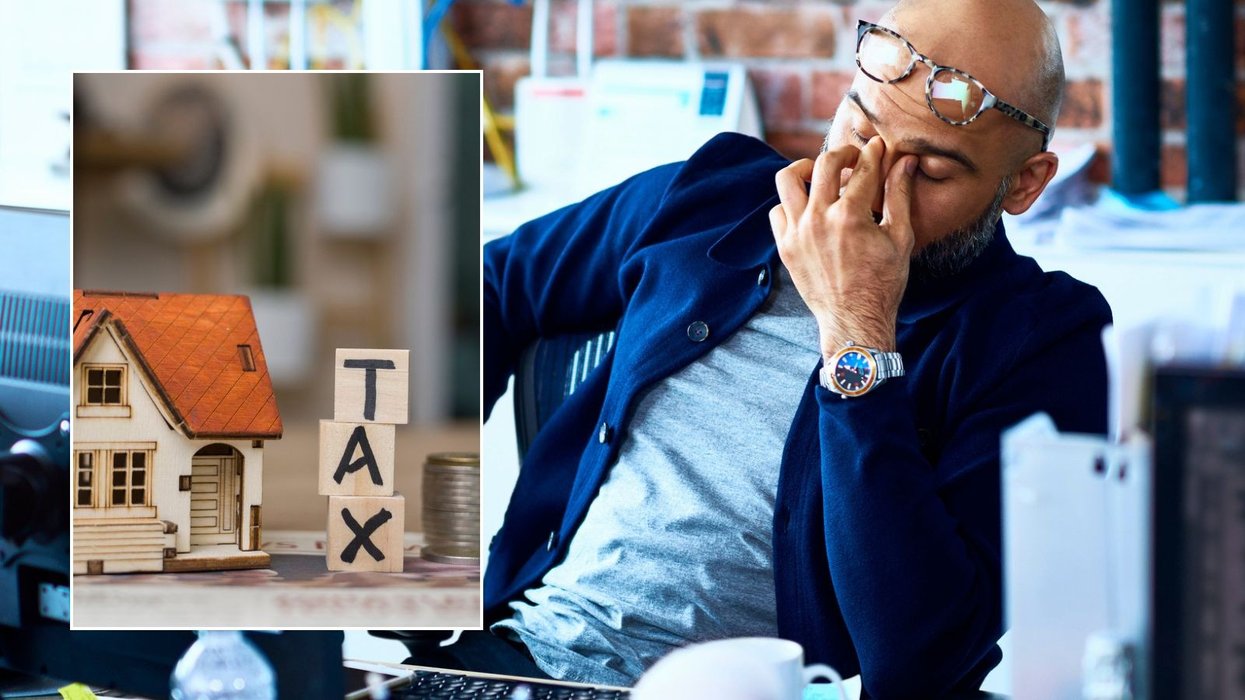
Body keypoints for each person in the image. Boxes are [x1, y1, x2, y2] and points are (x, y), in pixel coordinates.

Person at [463, 0, 1109, 695]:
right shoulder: (710, 199)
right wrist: (385, 578)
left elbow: (917, 655)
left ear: (1023, 183)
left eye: (928, 171)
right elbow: (478, 291)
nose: (868, 184)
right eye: (858, 127)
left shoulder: (1042, 340)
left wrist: (856, 328)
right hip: (522, 660)